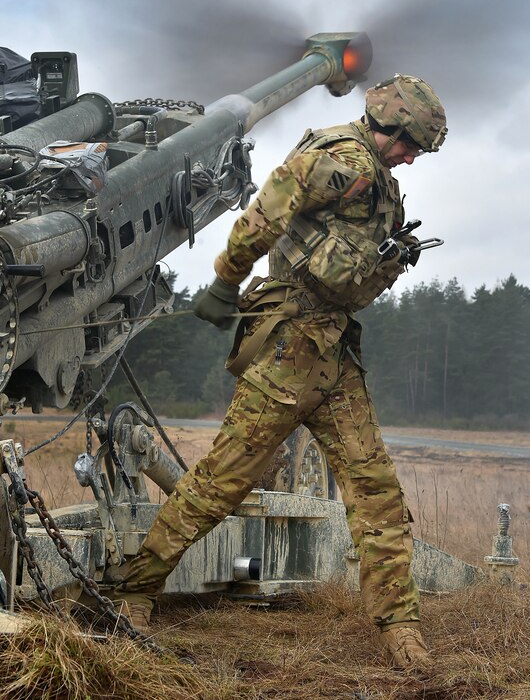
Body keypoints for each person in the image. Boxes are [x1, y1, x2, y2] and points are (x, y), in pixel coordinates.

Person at [109, 74, 448, 670]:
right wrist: (223, 280)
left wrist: (393, 257)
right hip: (290, 348)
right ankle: (136, 591)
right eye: (410, 143)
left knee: (377, 496)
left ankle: (403, 635)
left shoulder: (382, 183)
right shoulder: (339, 161)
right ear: (390, 126)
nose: (412, 156)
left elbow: (350, 265)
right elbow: (265, 210)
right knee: (219, 484)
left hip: (336, 354)